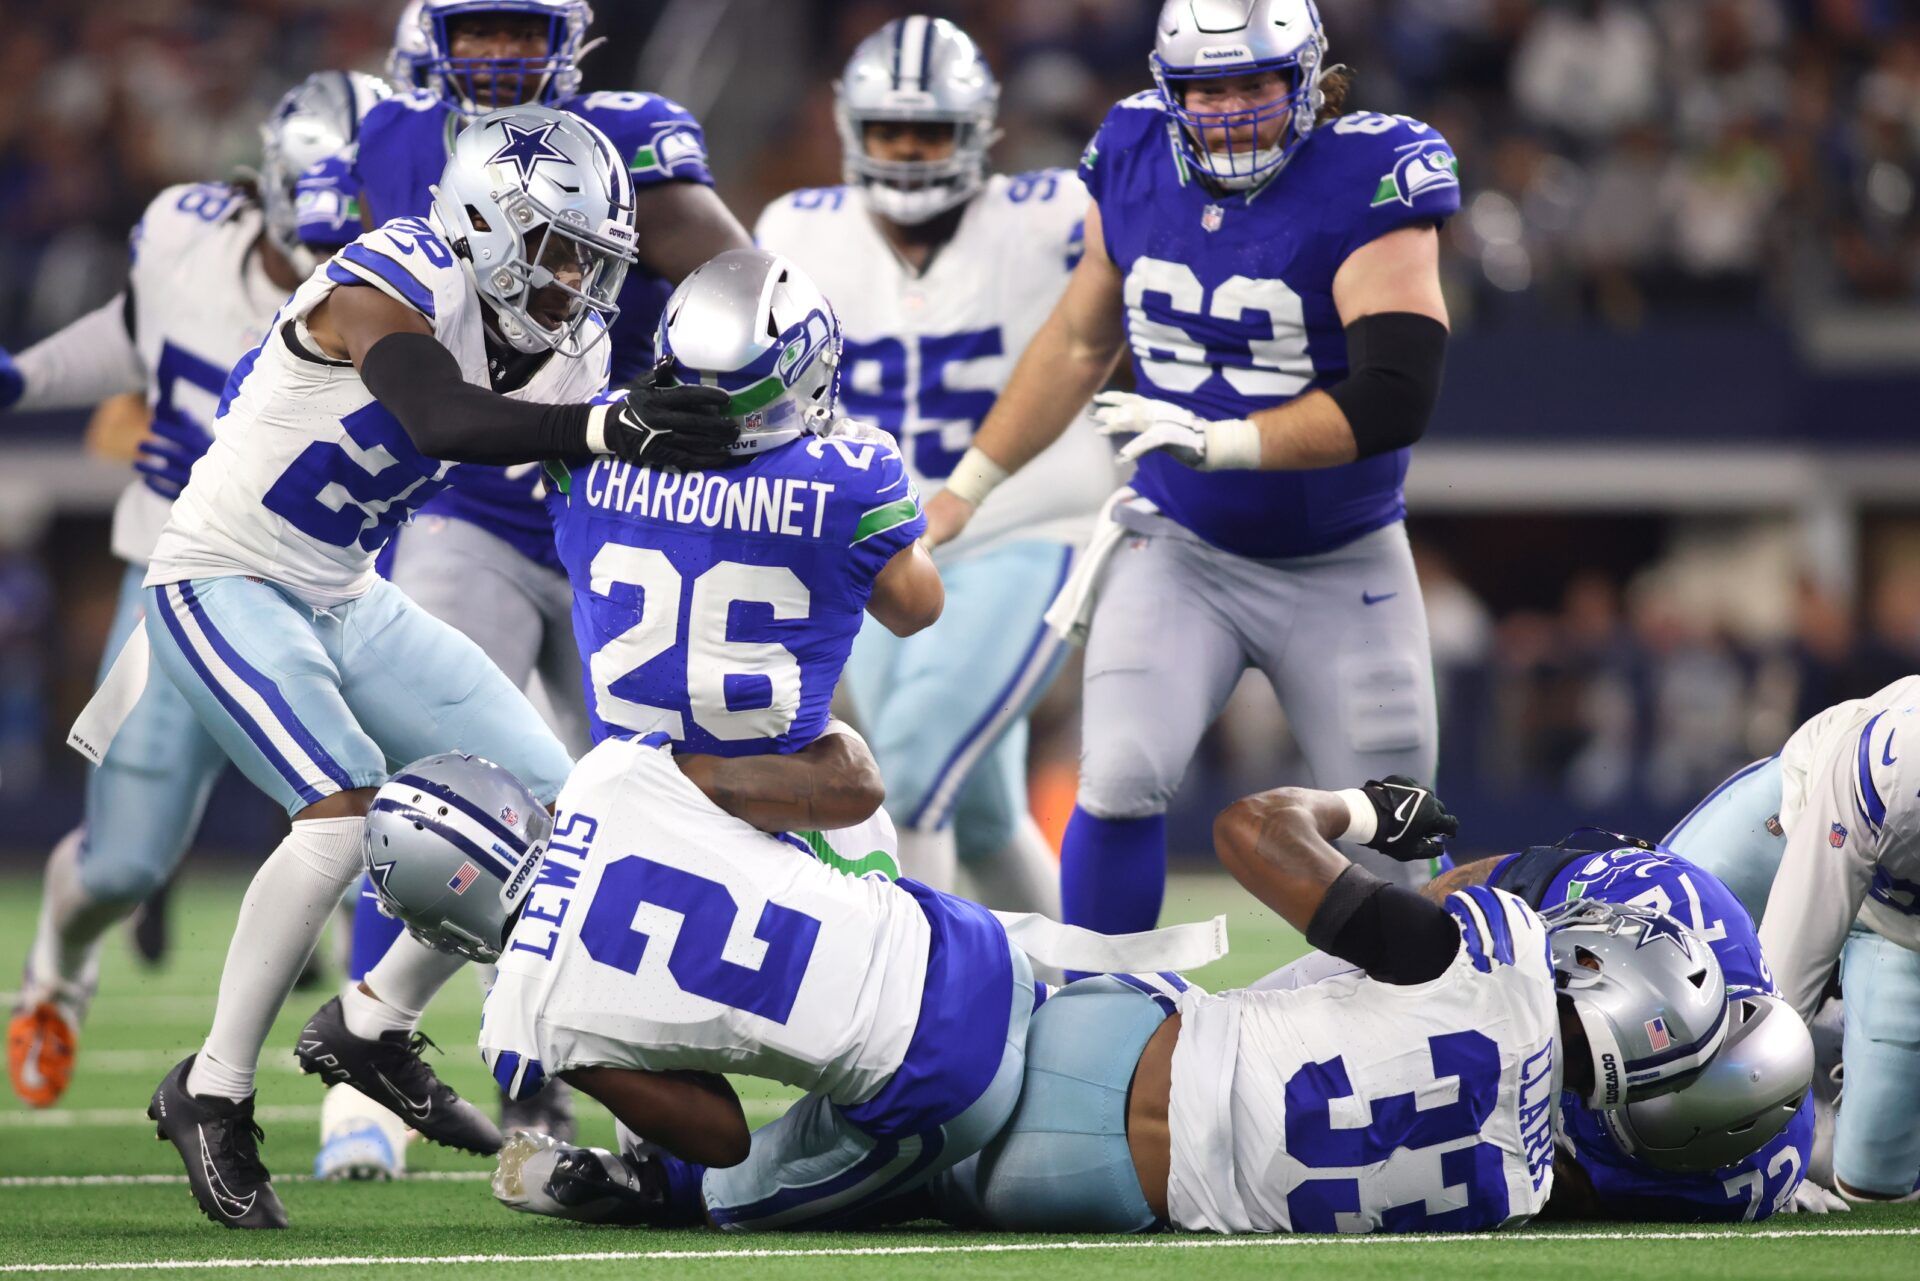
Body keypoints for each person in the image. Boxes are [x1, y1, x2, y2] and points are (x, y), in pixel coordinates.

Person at [130, 104, 739, 1230]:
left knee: (563, 815)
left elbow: (584, 489)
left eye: (595, 262)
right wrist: (609, 427)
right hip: (223, 573)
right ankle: (210, 1089)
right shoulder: (395, 267)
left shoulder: (572, 343)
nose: (574, 285)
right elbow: (438, 417)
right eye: (558, 252)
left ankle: (369, 1020)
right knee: (337, 817)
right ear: (481, 223)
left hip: (348, 593)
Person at [480, 775, 1728, 1235]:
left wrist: (1363, 812)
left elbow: (1253, 832)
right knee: (856, 1166)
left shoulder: (1499, 955)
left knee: (861, 1018)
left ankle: (631, 1123)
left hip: (1115, 1042)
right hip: (1111, 1198)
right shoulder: (1526, 1191)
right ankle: (640, 1167)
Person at [297, 0, 753, 1159]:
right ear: (434, 39)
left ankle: (571, 1064)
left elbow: (740, 283)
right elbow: (338, 317)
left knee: (641, 796)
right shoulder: (388, 140)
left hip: (626, 515)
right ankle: (362, 1078)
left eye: (520, 30)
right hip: (469, 506)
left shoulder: (636, 134)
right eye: (477, 30)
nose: (498, 55)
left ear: (569, 39)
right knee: (442, 787)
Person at [922, 0, 1458, 940]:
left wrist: (1224, 440)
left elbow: (1393, 396)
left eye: (1256, 82)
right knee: (1121, 773)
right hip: (1181, 546)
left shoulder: (1374, 172)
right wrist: (968, 486)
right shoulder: (1131, 147)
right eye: (1208, 89)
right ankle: (1098, 1013)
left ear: (1311, 79)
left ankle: (1437, 1026)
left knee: (1395, 824)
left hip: (1343, 558)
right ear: (1169, 92)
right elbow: (1082, 337)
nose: (1234, 110)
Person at [4, 71, 391, 1111]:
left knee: (372, 827)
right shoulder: (184, 236)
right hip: (182, 582)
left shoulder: (413, 292)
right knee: (125, 862)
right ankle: (56, 969)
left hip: (343, 592)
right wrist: (24, 378)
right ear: (266, 185)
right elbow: (135, 332)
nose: (335, 232)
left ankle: (361, 1106)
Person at [754, 16, 1113, 909]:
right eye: (888, 130)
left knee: (911, 765)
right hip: (884, 544)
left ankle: (923, 1007)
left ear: (981, 130)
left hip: (1028, 521)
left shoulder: (1053, 213)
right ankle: (1083, 993)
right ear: (849, 127)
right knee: (981, 811)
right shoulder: (799, 227)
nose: (909, 151)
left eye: (931, 131)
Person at [1421, 831, 1818, 1220]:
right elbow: (1495, 883)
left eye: (1600, 1091)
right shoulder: (1667, 894)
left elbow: (1544, 1189)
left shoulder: (1700, 1189)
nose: (1562, 1069)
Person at [1662, 675, 1920, 1203]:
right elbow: (1789, 958)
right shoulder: (1895, 762)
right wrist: (1760, 1149)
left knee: (1874, 1186)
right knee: (1651, 932)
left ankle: (1837, 1057)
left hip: (1905, 940)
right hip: (1795, 822)